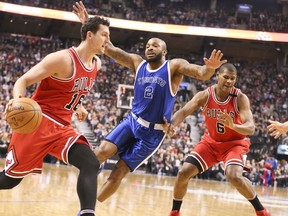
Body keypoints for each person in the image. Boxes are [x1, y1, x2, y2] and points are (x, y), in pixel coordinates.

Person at [73, 1, 227, 202]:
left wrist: (210, 68)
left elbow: (201, 73)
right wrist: (88, 24)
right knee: (99, 153)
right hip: (132, 121)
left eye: (155, 45)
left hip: (153, 134)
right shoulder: (138, 63)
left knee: (118, 171)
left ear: (164, 51)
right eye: (147, 45)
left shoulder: (174, 67)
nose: (150, 48)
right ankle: (86, 201)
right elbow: (109, 48)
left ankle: (89, 209)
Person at [1, 14, 110, 216]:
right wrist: (17, 101)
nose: (107, 40)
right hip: (38, 123)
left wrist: (79, 106)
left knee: (91, 163)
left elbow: (69, 91)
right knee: (9, 180)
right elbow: (23, 81)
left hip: (62, 129)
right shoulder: (62, 59)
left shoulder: (96, 65)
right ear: (89, 35)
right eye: (104, 35)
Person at [166, 63, 270, 216]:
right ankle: (175, 211)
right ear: (217, 76)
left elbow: (251, 128)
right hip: (211, 143)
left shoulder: (240, 98)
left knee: (233, 176)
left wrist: (233, 125)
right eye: (226, 77)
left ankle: (261, 210)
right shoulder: (205, 95)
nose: (229, 81)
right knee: (183, 172)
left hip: (235, 144)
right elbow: (184, 111)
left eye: (232, 78)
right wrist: (171, 125)